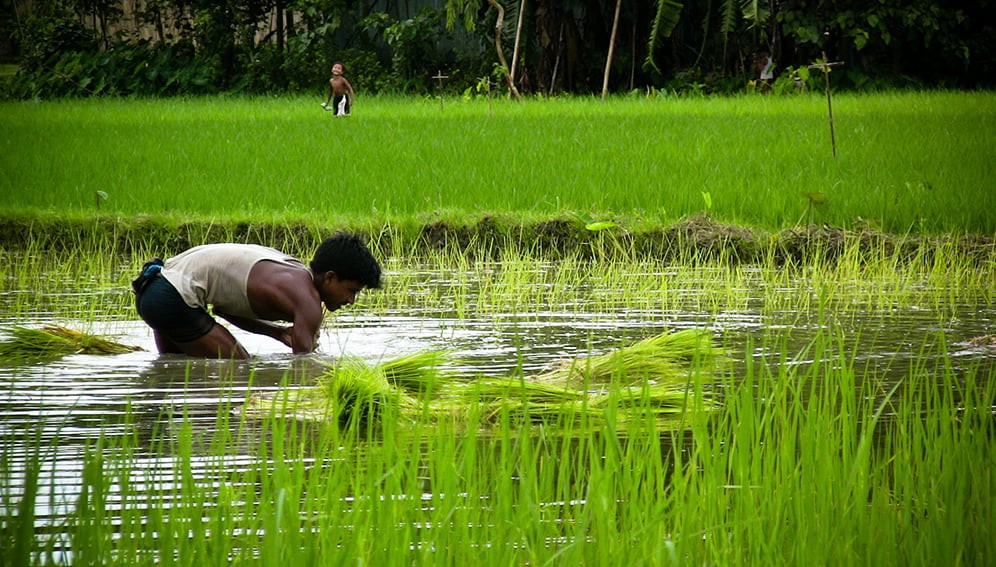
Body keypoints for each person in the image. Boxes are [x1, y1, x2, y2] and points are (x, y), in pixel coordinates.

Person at [132, 233, 381, 359]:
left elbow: (223, 310)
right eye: (351, 290)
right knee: (240, 367)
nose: (351, 300)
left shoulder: (289, 271)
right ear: (329, 277)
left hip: (154, 290)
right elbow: (304, 365)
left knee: (173, 372)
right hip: (173, 297)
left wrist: (278, 333)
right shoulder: (308, 302)